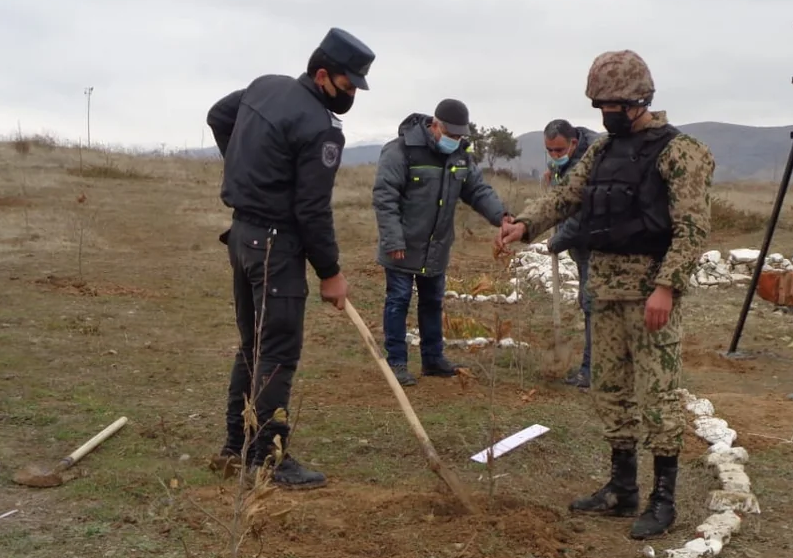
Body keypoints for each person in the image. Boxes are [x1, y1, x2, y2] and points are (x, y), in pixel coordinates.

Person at [497, 50, 714, 539]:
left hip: (651, 293)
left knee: (658, 394)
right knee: (610, 390)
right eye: (599, 106)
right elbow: (567, 195)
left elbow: (693, 229)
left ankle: (663, 499)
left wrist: (666, 288)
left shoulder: (681, 153)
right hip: (606, 285)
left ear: (637, 101)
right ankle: (622, 488)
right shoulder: (601, 151)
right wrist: (525, 225)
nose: (604, 115)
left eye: (610, 106)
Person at [206, 27, 375, 489]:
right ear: (322, 74)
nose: (350, 96)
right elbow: (312, 210)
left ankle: (235, 444)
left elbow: (218, 115)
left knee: (253, 345)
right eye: (346, 87)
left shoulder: (264, 86)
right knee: (276, 352)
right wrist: (331, 273)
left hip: (241, 236)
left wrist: (247, 168)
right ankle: (267, 457)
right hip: (275, 248)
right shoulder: (320, 128)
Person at [373, 99, 511, 386]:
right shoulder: (400, 151)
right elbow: (385, 197)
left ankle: (433, 359)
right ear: (434, 125)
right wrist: (393, 239)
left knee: (432, 302)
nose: (455, 141)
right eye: (451, 135)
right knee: (398, 301)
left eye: (460, 137)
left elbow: (478, 190)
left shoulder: (459, 157)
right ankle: (396, 362)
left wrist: (502, 217)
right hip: (402, 245)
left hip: (436, 247)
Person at [541, 119, 598, 389]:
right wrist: (554, 177)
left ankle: (591, 371)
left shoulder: (591, 162)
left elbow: (582, 214)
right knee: (589, 304)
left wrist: (558, 240)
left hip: (596, 245)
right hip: (582, 248)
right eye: (549, 151)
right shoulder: (567, 164)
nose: (554, 156)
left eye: (559, 150)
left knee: (593, 305)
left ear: (573, 144)